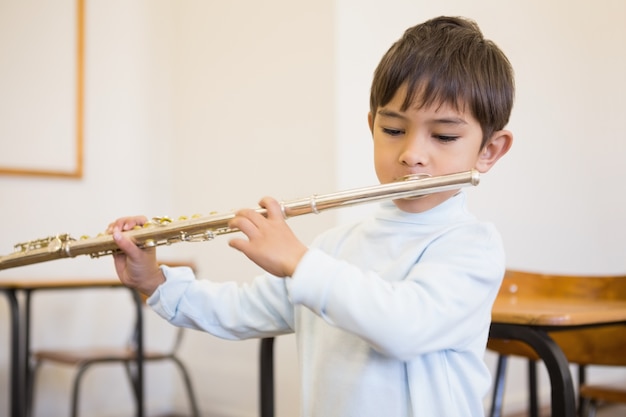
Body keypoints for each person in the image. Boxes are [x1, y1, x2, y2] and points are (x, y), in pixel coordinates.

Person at [107, 15, 514, 416]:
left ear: (489, 150)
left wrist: (300, 262)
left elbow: (403, 326)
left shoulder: (471, 246)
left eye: (443, 136)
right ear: (372, 126)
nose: (412, 154)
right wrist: (156, 282)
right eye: (393, 130)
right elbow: (242, 309)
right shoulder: (335, 248)